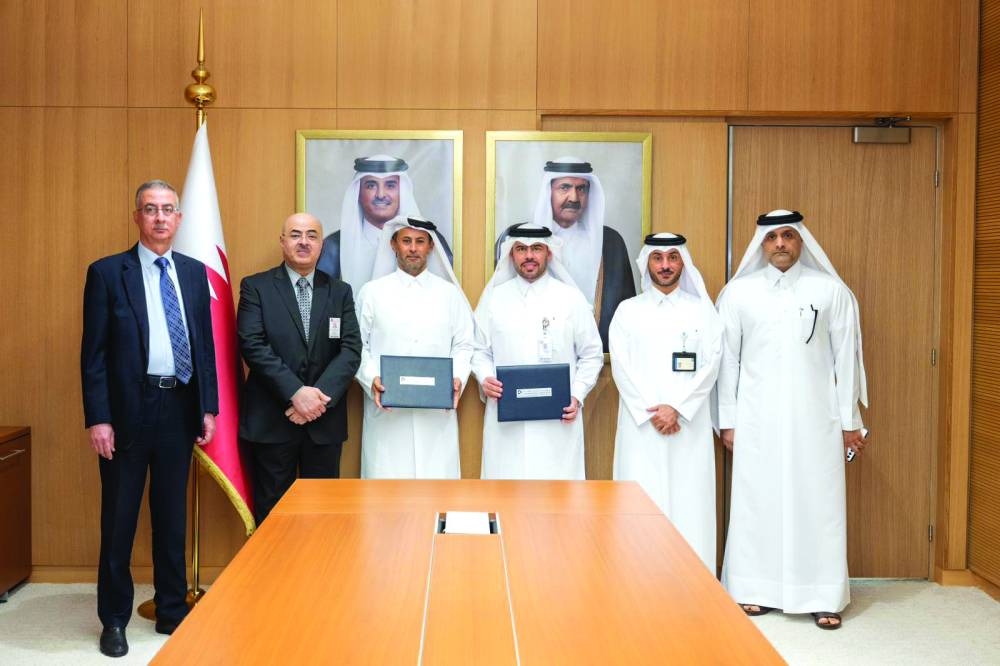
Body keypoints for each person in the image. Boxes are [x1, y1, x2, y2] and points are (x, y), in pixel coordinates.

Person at [81, 180, 219, 657]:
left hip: (179, 407)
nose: (160, 218)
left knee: (170, 518)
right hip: (125, 414)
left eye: (167, 210)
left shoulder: (194, 273)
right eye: (150, 210)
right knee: (118, 519)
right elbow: (93, 356)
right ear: (137, 217)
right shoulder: (106, 273)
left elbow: (204, 345)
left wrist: (208, 406)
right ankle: (114, 620)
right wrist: (98, 418)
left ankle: (171, 610)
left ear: (179, 219)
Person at [716, 209, 869, 630]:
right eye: (772, 238)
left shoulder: (830, 291)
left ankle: (823, 595)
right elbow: (727, 361)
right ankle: (755, 589)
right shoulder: (738, 293)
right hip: (756, 418)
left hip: (815, 419)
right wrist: (727, 420)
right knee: (757, 500)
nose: (780, 244)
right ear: (761, 244)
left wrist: (849, 420)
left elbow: (846, 362)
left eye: (788, 236)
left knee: (817, 502)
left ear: (801, 240)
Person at [237, 213, 361, 523]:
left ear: (321, 244)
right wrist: (295, 393)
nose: (303, 241)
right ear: (282, 241)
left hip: (324, 422)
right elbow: (253, 344)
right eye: (295, 234)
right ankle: (273, 573)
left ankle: (319, 573)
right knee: (272, 514)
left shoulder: (340, 291)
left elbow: (350, 349)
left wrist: (317, 398)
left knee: (322, 513)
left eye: (311, 235)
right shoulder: (256, 287)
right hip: (272, 420)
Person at [609, 233, 722, 572]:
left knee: (691, 500)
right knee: (642, 498)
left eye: (673, 258)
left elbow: (712, 364)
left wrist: (678, 409)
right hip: (641, 426)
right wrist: (654, 411)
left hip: (688, 424)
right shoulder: (628, 311)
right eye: (658, 259)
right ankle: (638, 579)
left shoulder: (703, 309)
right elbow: (621, 366)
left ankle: (695, 580)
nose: (666, 266)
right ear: (647, 263)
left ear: (683, 262)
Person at [473, 223, 604, 480]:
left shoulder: (571, 299)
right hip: (506, 421)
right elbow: (479, 351)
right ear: (512, 255)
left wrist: (576, 396)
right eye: (521, 249)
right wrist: (485, 377)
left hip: (558, 421)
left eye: (536, 249)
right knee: (505, 492)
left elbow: (592, 354)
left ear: (549, 253)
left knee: (558, 496)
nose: (529, 256)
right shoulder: (494, 298)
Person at [355, 217, 474, 478]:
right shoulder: (372, 292)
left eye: (420, 241)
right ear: (393, 245)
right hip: (387, 414)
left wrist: (457, 379)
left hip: (436, 416)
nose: (413, 248)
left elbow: (464, 344)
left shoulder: (450, 294)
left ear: (430, 246)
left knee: (438, 491)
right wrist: (371, 378)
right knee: (386, 495)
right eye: (406, 241)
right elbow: (357, 346)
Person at [494, 157, 635, 350]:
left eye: (581, 189)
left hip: (597, 357)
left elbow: (625, 311)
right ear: (548, 191)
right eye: (564, 188)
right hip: (532, 353)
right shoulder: (519, 240)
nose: (574, 198)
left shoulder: (611, 242)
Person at [316, 155, 453, 290]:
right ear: (358, 192)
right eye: (371, 186)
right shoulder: (335, 246)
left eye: (390, 185)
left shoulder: (431, 241)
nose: (381, 195)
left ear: (403, 192)